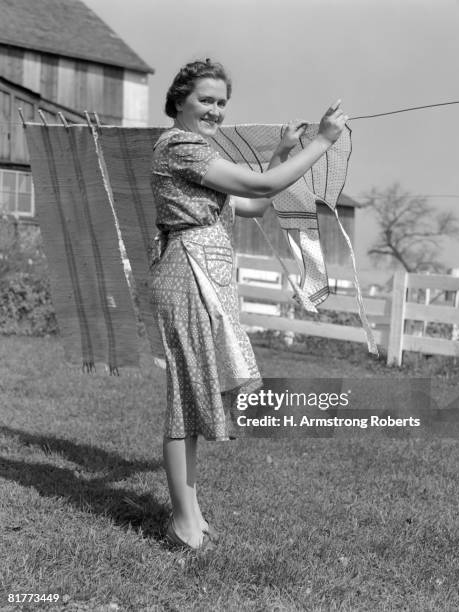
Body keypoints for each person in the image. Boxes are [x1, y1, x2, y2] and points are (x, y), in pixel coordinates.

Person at [150, 59, 347, 551]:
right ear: (179, 100)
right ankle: (181, 520)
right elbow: (260, 187)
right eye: (206, 100)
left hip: (206, 273)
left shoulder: (199, 152)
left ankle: (189, 515)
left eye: (222, 103)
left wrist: (281, 149)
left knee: (196, 396)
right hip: (188, 273)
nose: (215, 110)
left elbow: (254, 203)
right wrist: (322, 142)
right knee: (186, 395)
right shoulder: (181, 147)